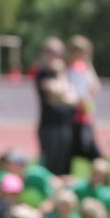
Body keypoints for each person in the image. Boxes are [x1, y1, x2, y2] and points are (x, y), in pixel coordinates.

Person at [35, 38, 78, 175]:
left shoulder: (64, 73)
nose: (55, 57)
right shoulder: (42, 73)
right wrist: (62, 81)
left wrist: (62, 82)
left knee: (64, 165)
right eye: (52, 53)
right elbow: (56, 93)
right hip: (49, 126)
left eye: (58, 53)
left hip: (65, 124)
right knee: (49, 165)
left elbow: (73, 98)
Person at [66, 35, 103, 163]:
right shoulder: (66, 68)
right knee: (69, 149)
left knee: (89, 145)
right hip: (70, 112)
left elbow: (95, 87)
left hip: (85, 112)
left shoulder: (85, 68)